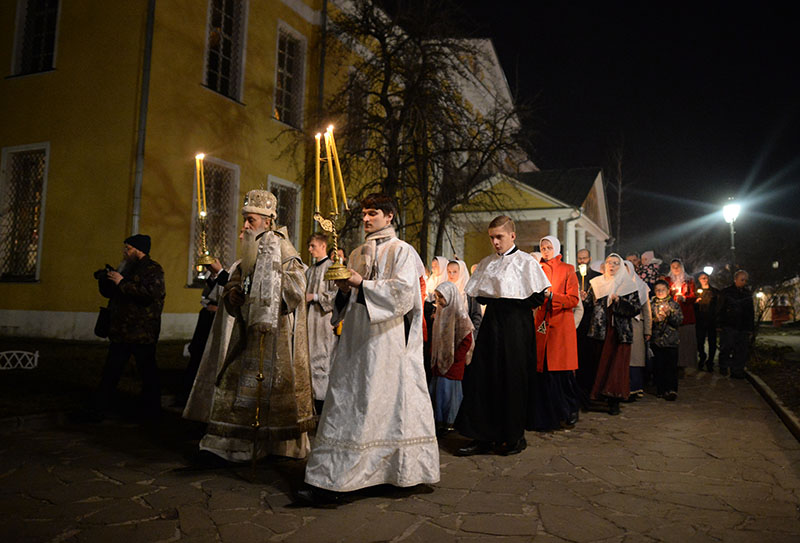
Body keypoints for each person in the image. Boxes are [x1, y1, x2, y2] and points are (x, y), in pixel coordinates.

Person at [300, 194, 439, 505]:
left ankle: (379, 473)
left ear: (389, 217)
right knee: (348, 400)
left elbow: (404, 296)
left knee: (376, 403)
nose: (366, 219)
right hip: (355, 338)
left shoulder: (403, 251)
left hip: (386, 341)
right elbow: (345, 300)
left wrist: (361, 283)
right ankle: (332, 474)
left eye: (373, 213)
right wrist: (344, 289)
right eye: (364, 213)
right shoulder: (357, 252)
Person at [199, 189, 314, 462]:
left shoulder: (285, 250)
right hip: (246, 333)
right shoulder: (249, 249)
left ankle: (276, 446)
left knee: (274, 393)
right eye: (245, 220)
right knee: (236, 386)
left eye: (251, 220)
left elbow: (297, 289)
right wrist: (234, 293)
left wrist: (269, 289)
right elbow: (234, 282)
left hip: (277, 336)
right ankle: (231, 447)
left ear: (268, 221)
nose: (245, 226)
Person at [454, 215, 549, 456]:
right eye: (492, 238)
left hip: (517, 327)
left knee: (512, 378)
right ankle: (482, 436)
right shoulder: (487, 263)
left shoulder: (526, 262)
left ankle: (512, 436)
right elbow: (480, 295)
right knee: (484, 377)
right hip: (492, 325)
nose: (495, 242)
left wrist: (512, 298)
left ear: (512, 236)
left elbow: (538, 295)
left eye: (499, 237)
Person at [88, 234, 165, 421]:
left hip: (141, 331)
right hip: (121, 330)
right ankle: (99, 409)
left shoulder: (152, 269)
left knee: (147, 373)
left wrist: (121, 282)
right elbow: (112, 294)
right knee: (111, 371)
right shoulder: (127, 267)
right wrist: (106, 279)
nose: (125, 252)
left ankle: (151, 411)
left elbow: (150, 294)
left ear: (139, 250)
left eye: (128, 249)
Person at [531, 236, 580, 431]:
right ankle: (547, 413)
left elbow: (574, 298)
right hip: (541, 323)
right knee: (543, 372)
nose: (545, 250)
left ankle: (569, 409)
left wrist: (553, 297)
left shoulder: (567, 269)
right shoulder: (537, 268)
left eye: (549, 247)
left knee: (561, 373)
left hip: (561, 326)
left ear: (556, 248)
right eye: (543, 247)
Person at [586, 253, 641, 415]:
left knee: (616, 367)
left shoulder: (628, 286)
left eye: (616, 263)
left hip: (619, 332)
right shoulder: (597, 284)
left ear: (621, 266)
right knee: (600, 364)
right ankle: (598, 396)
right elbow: (589, 305)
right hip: (600, 330)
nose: (612, 266)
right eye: (609, 262)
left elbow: (635, 308)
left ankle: (614, 399)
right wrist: (584, 299)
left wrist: (620, 302)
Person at [177, 258, 229, 406]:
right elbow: (211, 293)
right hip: (206, 319)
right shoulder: (217, 278)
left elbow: (229, 290)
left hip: (217, 320)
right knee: (197, 354)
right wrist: (214, 274)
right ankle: (188, 394)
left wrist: (220, 272)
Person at [429, 281, 474, 437]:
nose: (439, 301)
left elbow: (467, 338)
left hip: (453, 363)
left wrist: (456, 358)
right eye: (437, 297)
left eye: (442, 297)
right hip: (440, 360)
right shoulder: (441, 312)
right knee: (439, 393)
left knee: (449, 394)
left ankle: (450, 422)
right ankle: (440, 422)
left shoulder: (459, 314)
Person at [305, 232, 338, 414]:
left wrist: (316, 297)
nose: (310, 250)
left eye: (313, 246)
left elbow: (336, 295)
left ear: (323, 246)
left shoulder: (331, 268)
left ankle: (322, 404)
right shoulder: (310, 270)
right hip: (309, 320)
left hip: (323, 321)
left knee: (322, 359)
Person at [575, 248, 602, 408]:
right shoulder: (573, 276)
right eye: (580, 258)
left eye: (585, 258)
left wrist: (589, 298)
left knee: (590, 357)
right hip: (577, 322)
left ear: (590, 259)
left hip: (591, 322)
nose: (582, 261)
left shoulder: (597, 278)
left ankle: (590, 391)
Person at [649, 279, 683, 400]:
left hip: (671, 341)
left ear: (668, 291)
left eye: (663, 290)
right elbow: (648, 321)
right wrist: (655, 320)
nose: (660, 292)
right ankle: (661, 389)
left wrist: (670, 314)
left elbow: (678, 321)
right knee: (658, 366)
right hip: (657, 341)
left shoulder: (674, 305)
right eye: (658, 290)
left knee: (671, 366)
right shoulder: (651, 304)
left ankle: (672, 389)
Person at [718, 270, 754, 378]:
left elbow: (750, 311)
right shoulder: (726, 292)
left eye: (745, 280)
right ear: (735, 279)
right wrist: (719, 324)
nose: (744, 282)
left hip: (742, 325)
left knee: (741, 349)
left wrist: (750, 328)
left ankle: (737, 370)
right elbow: (720, 308)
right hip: (729, 324)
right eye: (742, 280)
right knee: (727, 346)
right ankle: (724, 366)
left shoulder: (747, 294)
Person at [623, 260, 651, 399]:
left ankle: (636, 387)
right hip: (622, 325)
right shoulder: (618, 285)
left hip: (636, 325)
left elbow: (646, 310)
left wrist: (648, 330)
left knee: (636, 358)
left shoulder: (641, 286)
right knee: (624, 357)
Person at [665, 259, 697, 375]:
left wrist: (685, 299)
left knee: (684, 341)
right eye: (673, 266)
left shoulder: (689, 280)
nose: (676, 268)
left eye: (677, 266)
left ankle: (682, 365)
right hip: (671, 313)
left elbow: (693, 296)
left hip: (685, 313)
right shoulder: (667, 280)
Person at [446, 259, 482, 333]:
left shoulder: (470, 292)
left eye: (454, 272)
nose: (451, 275)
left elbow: (476, 315)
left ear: (461, 272)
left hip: (466, 333)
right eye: (449, 272)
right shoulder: (446, 289)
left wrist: (474, 335)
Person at [694, 271, 720, 372]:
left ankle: (710, 362)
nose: (704, 279)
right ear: (699, 280)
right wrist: (696, 303)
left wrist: (718, 320)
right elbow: (693, 307)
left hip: (711, 320)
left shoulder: (714, 292)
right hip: (700, 320)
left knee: (712, 342)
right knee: (700, 341)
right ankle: (702, 357)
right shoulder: (696, 291)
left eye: (705, 277)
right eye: (702, 278)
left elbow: (718, 306)